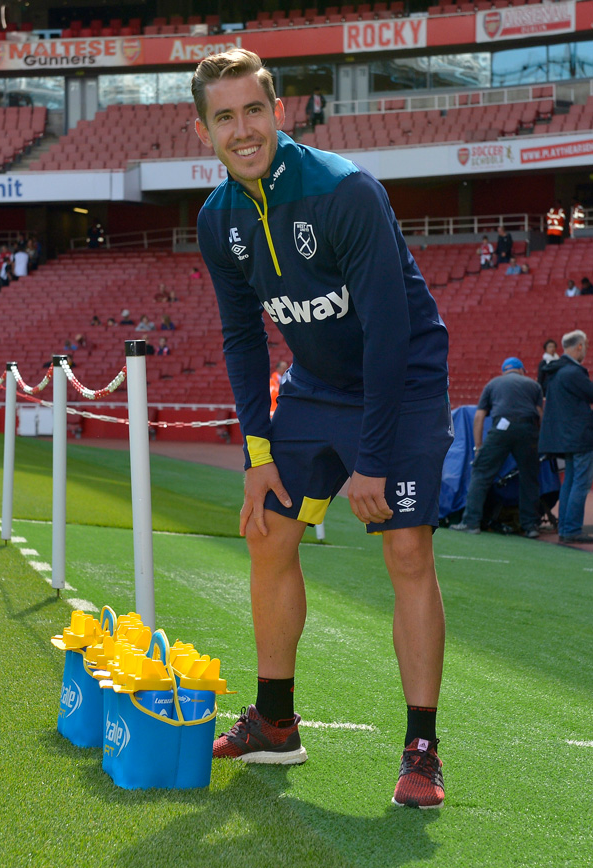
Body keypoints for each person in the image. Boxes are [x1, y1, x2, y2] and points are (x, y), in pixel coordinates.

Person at [192, 48, 452, 808]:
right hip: (313, 388)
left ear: (278, 110)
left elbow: (388, 333)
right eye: (224, 117)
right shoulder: (219, 220)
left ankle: (422, 749)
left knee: (405, 547)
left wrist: (370, 461)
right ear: (203, 129)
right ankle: (275, 722)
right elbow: (243, 338)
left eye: (253, 110)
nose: (242, 129)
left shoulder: (345, 192)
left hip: (397, 383)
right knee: (267, 532)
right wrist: (257, 453)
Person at [451, 357, 542, 538]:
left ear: (504, 371)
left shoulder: (493, 384)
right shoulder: (533, 385)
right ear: (522, 370)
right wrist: (535, 439)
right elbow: (540, 415)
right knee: (529, 478)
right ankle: (530, 526)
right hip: (528, 429)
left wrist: (478, 448)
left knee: (481, 472)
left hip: (501, 428)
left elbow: (479, 417)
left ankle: (471, 523)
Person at [538, 330, 593, 544]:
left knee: (570, 481)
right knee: (580, 482)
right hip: (580, 436)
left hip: (566, 436)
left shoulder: (557, 371)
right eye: (586, 346)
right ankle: (571, 529)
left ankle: (566, 527)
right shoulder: (573, 372)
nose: (587, 351)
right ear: (579, 346)